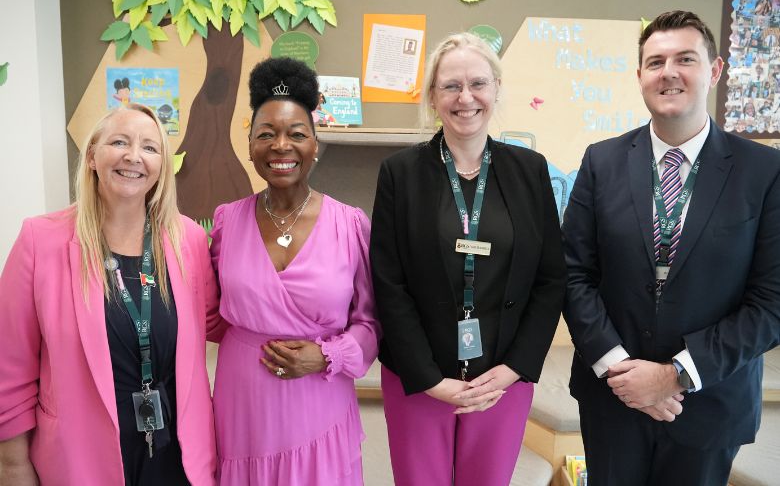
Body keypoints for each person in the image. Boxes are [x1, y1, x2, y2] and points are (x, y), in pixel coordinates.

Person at [562, 10, 780, 486]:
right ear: (639, 74)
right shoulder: (602, 162)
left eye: (685, 58)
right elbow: (573, 273)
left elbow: (772, 302)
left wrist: (677, 374)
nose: (669, 73)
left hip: (709, 400)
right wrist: (621, 370)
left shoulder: (764, 172)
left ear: (715, 69)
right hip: (612, 398)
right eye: (656, 61)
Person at [370, 32, 566, 485]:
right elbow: (388, 282)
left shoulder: (530, 170)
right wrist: (429, 379)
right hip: (418, 377)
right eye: (451, 86)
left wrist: (515, 368)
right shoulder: (399, 173)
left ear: (496, 88)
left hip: (503, 377)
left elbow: (551, 278)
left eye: (478, 83)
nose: (465, 98)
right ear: (433, 97)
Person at [0, 103, 219, 485]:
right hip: (79, 459)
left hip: (176, 458)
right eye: (120, 142)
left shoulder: (189, 241)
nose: (134, 156)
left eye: (150, 148)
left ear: (161, 168)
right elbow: (10, 367)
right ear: (91, 156)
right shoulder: (41, 240)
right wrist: (13, 467)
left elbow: (221, 321)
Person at [208, 57, 379, 485]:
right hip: (244, 404)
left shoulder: (351, 224)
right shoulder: (227, 222)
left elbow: (371, 323)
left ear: (315, 145)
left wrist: (327, 354)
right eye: (266, 134)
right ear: (250, 145)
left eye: (296, 134)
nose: (281, 145)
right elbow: (208, 312)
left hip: (319, 395)